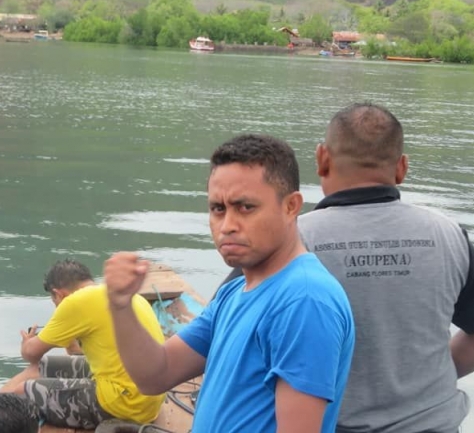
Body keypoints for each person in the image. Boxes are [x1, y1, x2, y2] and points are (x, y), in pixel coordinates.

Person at [104, 134, 355, 433]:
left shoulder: (304, 300)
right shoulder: (233, 293)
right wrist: (120, 304)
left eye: (245, 207)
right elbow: (155, 375)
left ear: (291, 207)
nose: (227, 225)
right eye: (218, 209)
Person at [297, 102, 474, 433]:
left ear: (322, 158)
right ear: (402, 168)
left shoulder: (293, 239)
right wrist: (427, 379)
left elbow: (226, 333)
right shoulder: (448, 234)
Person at [0, 259, 166, 433]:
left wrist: (27, 343)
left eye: (54, 301)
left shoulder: (76, 303)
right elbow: (81, 353)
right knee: (43, 367)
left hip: (126, 403)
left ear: (59, 294)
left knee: (23, 392)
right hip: (142, 392)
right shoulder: (117, 295)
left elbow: (31, 353)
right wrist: (70, 340)